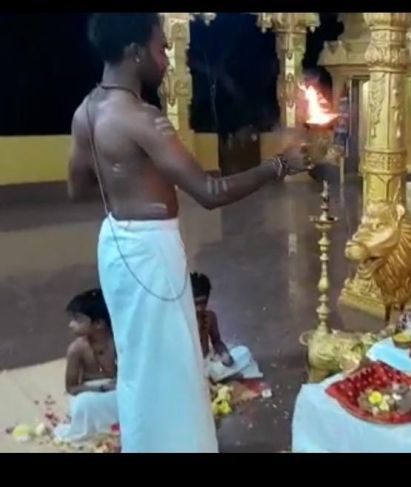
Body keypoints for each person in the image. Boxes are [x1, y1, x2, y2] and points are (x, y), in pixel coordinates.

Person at [67, 13, 308, 453]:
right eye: (160, 48)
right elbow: (210, 192)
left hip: (116, 242)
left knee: (139, 360)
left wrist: (123, 179)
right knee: (172, 363)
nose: (166, 60)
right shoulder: (143, 119)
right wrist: (278, 165)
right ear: (135, 52)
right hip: (151, 249)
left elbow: (77, 188)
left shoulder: (85, 111)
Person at [53, 289, 119, 444]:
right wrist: (101, 388)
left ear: (98, 324)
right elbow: (72, 388)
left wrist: (119, 384)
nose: (71, 324)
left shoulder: (119, 341)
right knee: (84, 404)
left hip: (117, 391)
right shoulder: (76, 349)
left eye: (78, 320)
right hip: (90, 393)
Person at [191, 272, 262, 383]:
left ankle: (215, 377)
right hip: (192, 368)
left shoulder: (210, 316)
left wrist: (224, 354)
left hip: (210, 364)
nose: (200, 308)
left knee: (244, 352)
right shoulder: (183, 322)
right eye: (196, 303)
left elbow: (217, 341)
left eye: (203, 303)